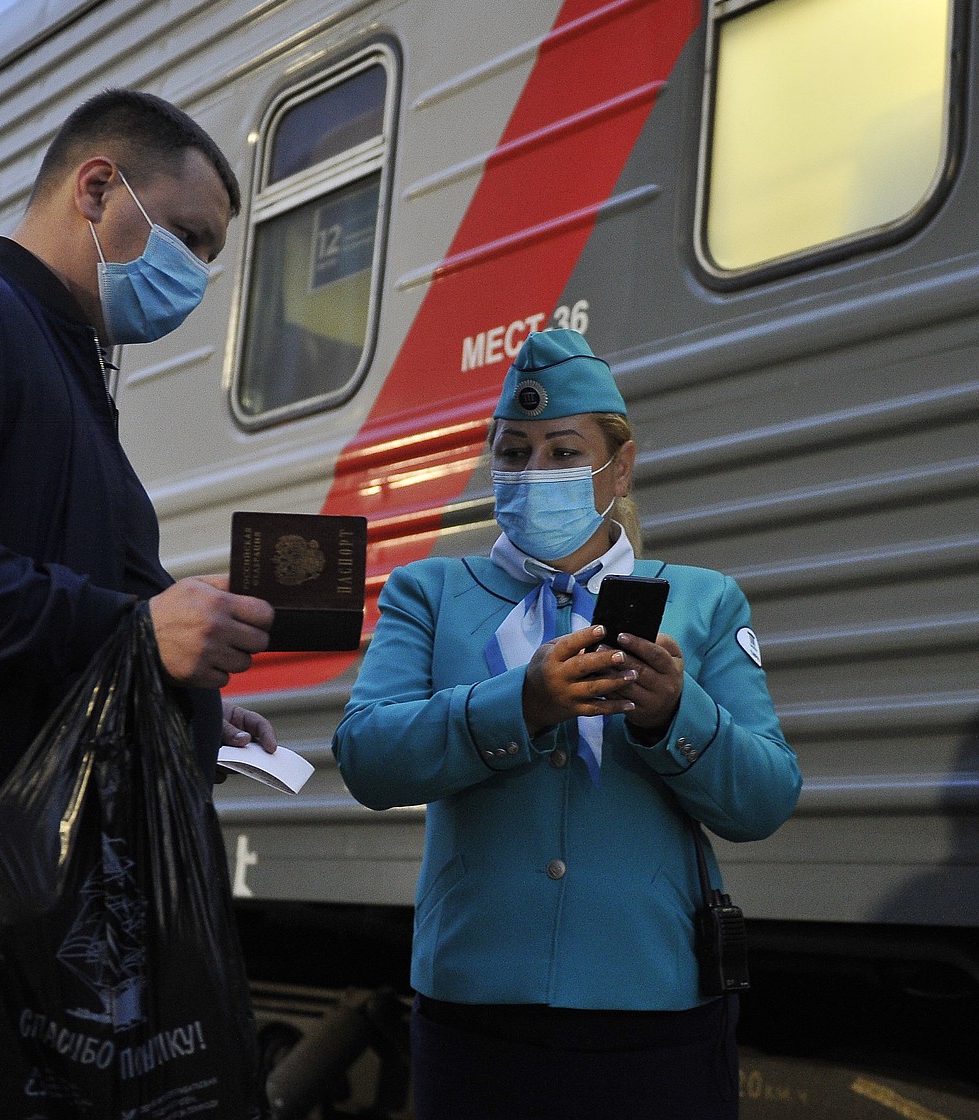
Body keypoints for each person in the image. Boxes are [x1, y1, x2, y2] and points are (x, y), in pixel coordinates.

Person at [333, 328, 802, 1120]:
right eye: (512, 453)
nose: (532, 473)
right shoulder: (430, 591)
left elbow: (764, 798)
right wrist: (522, 705)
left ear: (620, 468)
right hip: (479, 1000)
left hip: (654, 1002)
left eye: (560, 452)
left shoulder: (703, 598)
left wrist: (672, 717)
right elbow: (367, 757)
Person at [0, 88, 277, 806]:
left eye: (208, 256)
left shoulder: (68, 361)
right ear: (95, 189)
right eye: (185, 237)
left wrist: (190, 706)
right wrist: (139, 631)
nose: (195, 276)